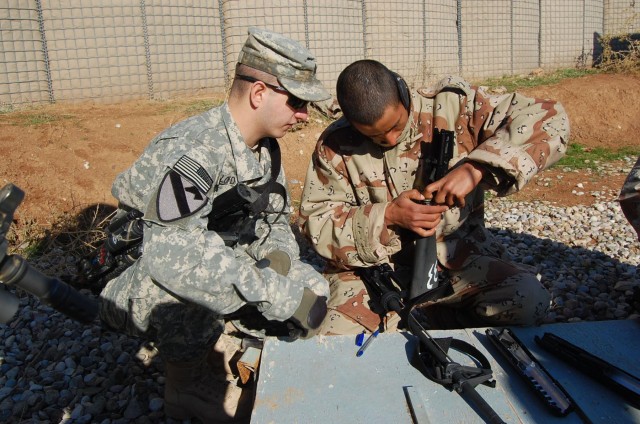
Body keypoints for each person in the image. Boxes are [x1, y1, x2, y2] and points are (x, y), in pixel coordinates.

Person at [98, 27, 330, 423]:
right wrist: (272, 292)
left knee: (314, 287)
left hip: (211, 253)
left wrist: (278, 262)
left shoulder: (265, 148)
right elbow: (171, 258)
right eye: (296, 101)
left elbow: (273, 219)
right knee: (189, 296)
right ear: (259, 93)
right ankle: (183, 387)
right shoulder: (195, 152)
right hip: (141, 275)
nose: (304, 114)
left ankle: (214, 354)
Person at [299, 59, 570, 335]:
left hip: (457, 260)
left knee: (529, 299)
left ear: (403, 93)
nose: (391, 140)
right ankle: (418, 324)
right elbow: (316, 223)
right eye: (376, 136)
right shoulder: (334, 145)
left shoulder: (454, 108)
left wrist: (476, 167)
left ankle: (439, 324)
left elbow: (549, 118)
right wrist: (388, 217)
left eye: (395, 126)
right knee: (337, 339)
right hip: (377, 273)